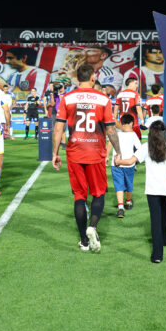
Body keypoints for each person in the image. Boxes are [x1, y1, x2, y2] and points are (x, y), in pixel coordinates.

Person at [52, 63, 121, 253]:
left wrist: (55, 153)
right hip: (95, 152)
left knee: (79, 196)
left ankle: (83, 240)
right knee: (98, 193)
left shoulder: (67, 98)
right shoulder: (103, 99)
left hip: (75, 152)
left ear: (77, 78)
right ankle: (93, 226)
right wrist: (118, 150)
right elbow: (111, 130)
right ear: (93, 77)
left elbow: (58, 128)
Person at [114, 119, 166, 264]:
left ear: (150, 133)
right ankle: (164, 239)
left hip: (152, 190)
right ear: (165, 133)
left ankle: (157, 255)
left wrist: (118, 162)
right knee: (165, 216)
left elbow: (130, 161)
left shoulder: (146, 147)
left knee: (155, 220)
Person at [111, 114, 141, 217]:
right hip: (129, 164)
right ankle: (128, 202)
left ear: (121, 122)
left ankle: (120, 207)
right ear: (132, 123)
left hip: (116, 164)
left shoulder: (116, 132)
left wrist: (106, 156)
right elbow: (139, 148)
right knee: (129, 184)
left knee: (119, 185)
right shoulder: (133, 134)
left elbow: (109, 144)